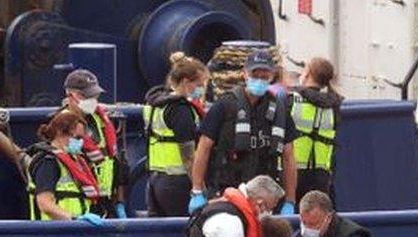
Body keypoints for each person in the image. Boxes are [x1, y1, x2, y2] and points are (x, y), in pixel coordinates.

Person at [191, 49, 298, 215]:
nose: (260, 80)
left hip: (263, 197)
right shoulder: (225, 105)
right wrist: (197, 191)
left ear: (272, 77)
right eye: (255, 75)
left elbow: (288, 156)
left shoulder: (279, 110)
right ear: (245, 75)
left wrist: (290, 201)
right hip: (227, 191)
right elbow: (204, 147)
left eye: (265, 76)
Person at [144, 53, 209, 217]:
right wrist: (199, 189)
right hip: (177, 183)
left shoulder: (156, 104)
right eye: (199, 84)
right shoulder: (180, 109)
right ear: (186, 82)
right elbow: (188, 156)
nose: (201, 89)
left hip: (155, 180)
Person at [60, 69, 127, 218]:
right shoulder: (61, 125)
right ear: (71, 95)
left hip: (106, 200)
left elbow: (113, 161)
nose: (92, 100)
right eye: (87, 96)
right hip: (84, 201)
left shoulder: (99, 119)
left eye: (94, 95)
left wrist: (119, 201)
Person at [26, 111, 104, 225]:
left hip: (75, 232)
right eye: (77, 137)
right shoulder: (47, 162)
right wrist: (74, 219)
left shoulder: (76, 160)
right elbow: (45, 203)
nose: (81, 142)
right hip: (52, 233)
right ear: (60, 133)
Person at [289, 57, 343, 202]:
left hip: (294, 173)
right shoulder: (334, 105)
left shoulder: (293, 99)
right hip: (322, 176)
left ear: (306, 74)